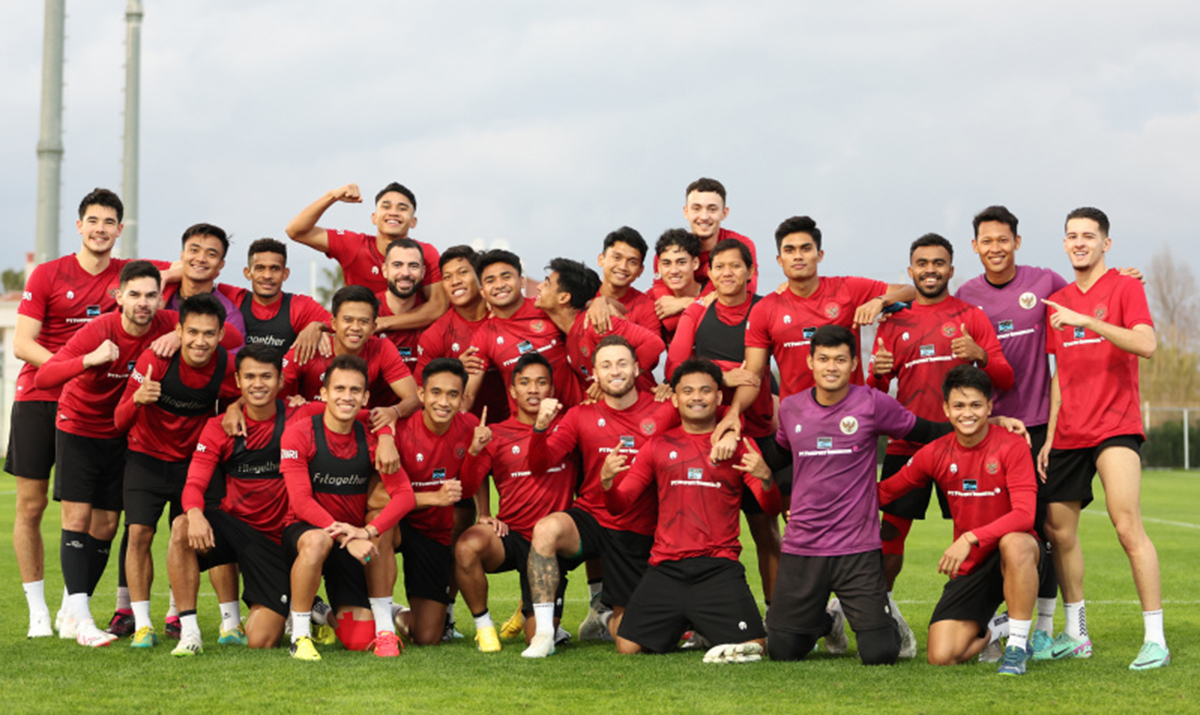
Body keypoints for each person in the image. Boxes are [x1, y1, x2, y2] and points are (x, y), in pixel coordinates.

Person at [8, 189, 170, 638]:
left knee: (101, 514)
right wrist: (74, 366)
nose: (100, 229)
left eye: (109, 222)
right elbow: (22, 345)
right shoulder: (48, 274)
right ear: (79, 226)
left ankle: (71, 607)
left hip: (103, 402)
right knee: (33, 504)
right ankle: (38, 609)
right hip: (44, 396)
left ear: (121, 229)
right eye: (92, 221)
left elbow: (192, 272)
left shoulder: (131, 277)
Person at [868, 232, 1014, 657]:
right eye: (922, 263)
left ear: (951, 269)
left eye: (938, 263)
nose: (930, 270)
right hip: (907, 444)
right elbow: (874, 395)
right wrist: (878, 374)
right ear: (910, 271)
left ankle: (981, 620)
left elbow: (1004, 377)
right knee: (888, 534)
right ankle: (882, 611)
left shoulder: (972, 316)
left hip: (963, 445)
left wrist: (980, 355)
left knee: (972, 537)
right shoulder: (893, 322)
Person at [1038, 207, 1167, 670]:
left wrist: (1088, 321)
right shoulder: (1057, 298)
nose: (1079, 242)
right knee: (1059, 532)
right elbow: (1059, 377)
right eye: (1071, 235)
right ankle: (1077, 634)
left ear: (1105, 244)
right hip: (1069, 432)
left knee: (1126, 525)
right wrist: (1051, 436)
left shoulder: (1125, 286)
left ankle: (1155, 638)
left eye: (1088, 236)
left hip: (1115, 427)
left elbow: (1147, 344)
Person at [33, 261, 186, 646]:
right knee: (78, 517)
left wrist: (181, 334)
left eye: (151, 295)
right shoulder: (99, 329)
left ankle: (71, 609)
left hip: (123, 433)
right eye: (134, 294)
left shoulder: (167, 323)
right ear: (118, 297)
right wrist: (88, 360)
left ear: (160, 298)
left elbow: (228, 333)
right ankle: (83, 621)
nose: (143, 303)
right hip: (79, 428)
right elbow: (44, 377)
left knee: (106, 526)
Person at [602, 358, 777, 663]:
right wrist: (607, 483)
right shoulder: (657, 445)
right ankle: (691, 623)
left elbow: (771, 507)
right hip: (666, 568)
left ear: (719, 397)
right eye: (689, 391)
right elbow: (619, 505)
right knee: (627, 647)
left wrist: (765, 479)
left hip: (718, 567)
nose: (697, 397)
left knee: (756, 644)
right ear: (675, 398)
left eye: (706, 390)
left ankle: (703, 622)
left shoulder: (740, 446)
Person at [520, 336, 679, 658]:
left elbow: (708, 422)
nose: (615, 371)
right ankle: (545, 635)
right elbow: (539, 465)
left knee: (630, 645)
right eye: (606, 365)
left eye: (622, 363)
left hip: (637, 528)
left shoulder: (666, 411)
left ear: (637, 368)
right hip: (591, 517)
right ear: (594, 374)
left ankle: (603, 618)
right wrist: (539, 428)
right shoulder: (580, 415)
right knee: (546, 529)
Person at [878, 365, 1041, 676]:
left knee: (1015, 542)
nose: (968, 413)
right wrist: (819, 507)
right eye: (959, 406)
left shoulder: (1012, 445)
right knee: (942, 655)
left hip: (1017, 555)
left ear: (990, 407)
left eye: (976, 405)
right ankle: (998, 626)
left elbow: (1024, 514)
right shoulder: (935, 453)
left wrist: (969, 538)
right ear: (946, 409)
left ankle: (1018, 647)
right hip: (973, 566)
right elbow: (884, 492)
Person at [112, 294, 243, 648]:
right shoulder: (155, 358)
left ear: (219, 336)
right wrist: (138, 400)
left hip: (196, 462)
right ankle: (142, 625)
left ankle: (231, 624)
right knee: (138, 535)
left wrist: (233, 407)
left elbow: (243, 394)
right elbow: (118, 419)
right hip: (147, 458)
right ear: (179, 331)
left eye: (209, 334)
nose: (200, 341)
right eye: (193, 332)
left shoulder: (224, 365)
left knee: (210, 538)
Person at [665, 239, 780, 611]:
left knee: (766, 531)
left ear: (750, 272)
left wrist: (717, 372)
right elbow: (675, 370)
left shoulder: (766, 308)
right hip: (706, 433)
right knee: (704, 529)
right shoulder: (698, 312)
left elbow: (754, 375)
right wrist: (722, 376)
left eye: (735, 266)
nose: (727, 273)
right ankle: (695, 612)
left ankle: (777, 613)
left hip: (757, 432)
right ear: (709, 273)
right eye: (719, 267)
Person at [280, 354, 415, 660]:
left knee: (357, 639)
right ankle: (299, 636)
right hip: (306, 534)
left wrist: (366, 531)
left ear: (366, 397)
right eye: (339, 389)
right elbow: (300, 502)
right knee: (317, 541)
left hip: (351, 541)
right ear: (324, 393)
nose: (347, 396)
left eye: (355, 391)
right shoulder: (300, 433)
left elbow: (404, 496)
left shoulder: (372, 437)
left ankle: (341, 615)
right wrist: (346, 537)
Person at [165, 344, 297, 655]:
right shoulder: (219, 426)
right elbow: (194, 483)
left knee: (262, 641)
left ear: (280, 381)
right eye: (249, 376)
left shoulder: (301, 418)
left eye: (266, 376)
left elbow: (353, 412)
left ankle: (304, 606)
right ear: (237, 381)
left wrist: (387, 429)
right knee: (182, 525)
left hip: (275, 542)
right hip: (234, 527)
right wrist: (196, 514)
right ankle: (190, 632)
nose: (258, 383)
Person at [454, 353, 578, 652]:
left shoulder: (568, 427)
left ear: (551, 390)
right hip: (511, 535)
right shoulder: (495, 434)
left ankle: (533, 611)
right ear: (512, 391)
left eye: (541, 382)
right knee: (466, 545)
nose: (533, 389)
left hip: (549, 544)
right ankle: (484, 627)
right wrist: (473, 451)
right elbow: (469, 485)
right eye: (525, 383)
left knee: (538, 638)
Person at [364, 358, 480, 647]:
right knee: (381, 519)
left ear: (463, 398)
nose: (443, 402)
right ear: (421, 394)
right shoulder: (398, 431)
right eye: (436, 392)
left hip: (433, 531)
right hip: (400, 525)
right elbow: (375, 498)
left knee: (428, 637)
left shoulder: (470, 427)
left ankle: (397, 615)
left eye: (453, 394)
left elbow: (474, 481)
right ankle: (382, 627)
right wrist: (434, 498)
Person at [284, 181, 447, 327]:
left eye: (402, 208)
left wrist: (382, 323)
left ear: (413, 221)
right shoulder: (353, 245)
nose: (394, 212)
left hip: (410, 339)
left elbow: (437, 307)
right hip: (361, 339)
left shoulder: (425, 253)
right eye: (386, 206)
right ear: (374, 218)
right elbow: (295, 231)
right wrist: (332, 196)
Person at [461, 249, 583, 413]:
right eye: (490, 280)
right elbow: (468, 395)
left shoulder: (545, 308)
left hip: (575, 416)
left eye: (506, 277)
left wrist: (600, 303)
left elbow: (589, 311)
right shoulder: (483, 336)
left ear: (522, 281)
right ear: (482, 292)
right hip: (529, 430)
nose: (499, 285)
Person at [280, 285, 420, 422]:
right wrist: (291, 401)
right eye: (348, 320)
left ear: (373, 328)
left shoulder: (381, 348)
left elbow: (414, 397)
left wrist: (394, 412)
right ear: (334, 323)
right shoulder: (309, 346)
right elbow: (272, 387)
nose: (355, 328)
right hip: (310, 430)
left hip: (358, 430)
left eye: (363, 321)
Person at [536, 257, 664, 397]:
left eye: (547, 284)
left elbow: (654, 344)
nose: (539, 287)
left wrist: (623, 376)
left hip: (642, 406)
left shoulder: (596, 322)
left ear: (564, 298)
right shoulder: (569, 334)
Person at [216, 238, 330, 357]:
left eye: (274, 269)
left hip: (284, 375)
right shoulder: (233, 297)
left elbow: (338, 323)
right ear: (248, 273)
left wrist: (317, 326)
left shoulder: (299, 306)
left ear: (285, 274)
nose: (267, 275)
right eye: (260, 268)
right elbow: (201, 285)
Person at [652, 177, 758, 298]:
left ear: (724, 213)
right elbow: (663, 298)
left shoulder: (740, 246)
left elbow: (746, 292)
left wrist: (690, 304)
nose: (704, 216)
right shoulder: (670, 251)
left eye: (712, 209)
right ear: (686, 212)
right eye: (696, 208)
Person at [161, 223, 247, 341]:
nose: (201, 259)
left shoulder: (229, 315)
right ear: (182, 255)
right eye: (194, 250)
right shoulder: (158, 296)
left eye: (211, 254)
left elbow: (233, 356)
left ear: (221, 264)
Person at [588, 227, 663, 336]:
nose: (623, 267)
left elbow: (652, 349)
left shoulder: (647, 306)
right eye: (617, 257)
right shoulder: (582, 294)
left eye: (632, 262)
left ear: (640, 271)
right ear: (601, 259)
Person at [375, 238, 430, 374]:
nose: (405, 273)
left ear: (423, 272)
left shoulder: (433, 315)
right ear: (385, 270)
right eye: (397, 265)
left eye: (413, 266)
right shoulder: (367, 310)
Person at [647, 229, 702, 343]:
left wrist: (688, 303)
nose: (674, 271)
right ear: (660, 267)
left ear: (695, 263)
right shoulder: (651, 299)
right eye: (667, 263)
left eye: (681, 262)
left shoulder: (713, 292)